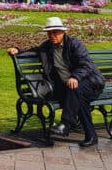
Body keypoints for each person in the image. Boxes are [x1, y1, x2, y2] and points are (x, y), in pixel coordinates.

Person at [8, 16, 104, 147]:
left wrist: (75, 77)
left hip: (90, 82)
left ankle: (66, 124)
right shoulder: (48, 47)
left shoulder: (74, 44)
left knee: (75, 91)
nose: (52, 35)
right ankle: (91, 136)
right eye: (49, 33)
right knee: (78, 98)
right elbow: (34, 50)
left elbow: (86, 65)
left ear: (63, 32)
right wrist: (18, 50)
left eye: (55, 32)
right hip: (68, 87)